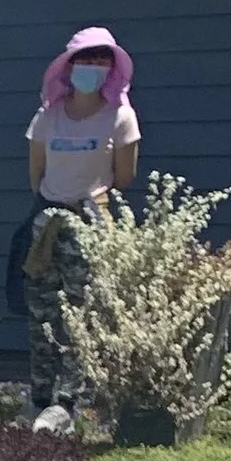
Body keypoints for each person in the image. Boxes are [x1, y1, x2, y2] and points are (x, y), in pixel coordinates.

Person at [9, 26, 140, 409]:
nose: (93, 67)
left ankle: (69, 402)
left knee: (82, 315)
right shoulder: (48, 117)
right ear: (69, 66)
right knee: (42, 312)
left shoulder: (120, 117)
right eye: (86, 59)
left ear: (112, 69)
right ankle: (40, 396)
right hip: (46, 221)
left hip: (91, 224)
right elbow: (37, 172)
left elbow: (124, 177)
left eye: (102, 60)